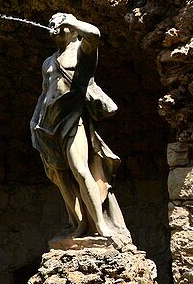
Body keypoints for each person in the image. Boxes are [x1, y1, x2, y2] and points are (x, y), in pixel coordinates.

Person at [30, 13, 131, 246]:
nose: (56, 25)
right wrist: (34, 122)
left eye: (61, 22)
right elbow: (44, 94)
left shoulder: (82, 51)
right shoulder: (48, 61)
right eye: (53, 22)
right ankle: (79, 223)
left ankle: (100, 224)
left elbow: (95, 34)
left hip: (73, 118)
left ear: (73, 29)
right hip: (47, 123)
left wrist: (71, 21)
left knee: (79, 169)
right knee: (61, 176)